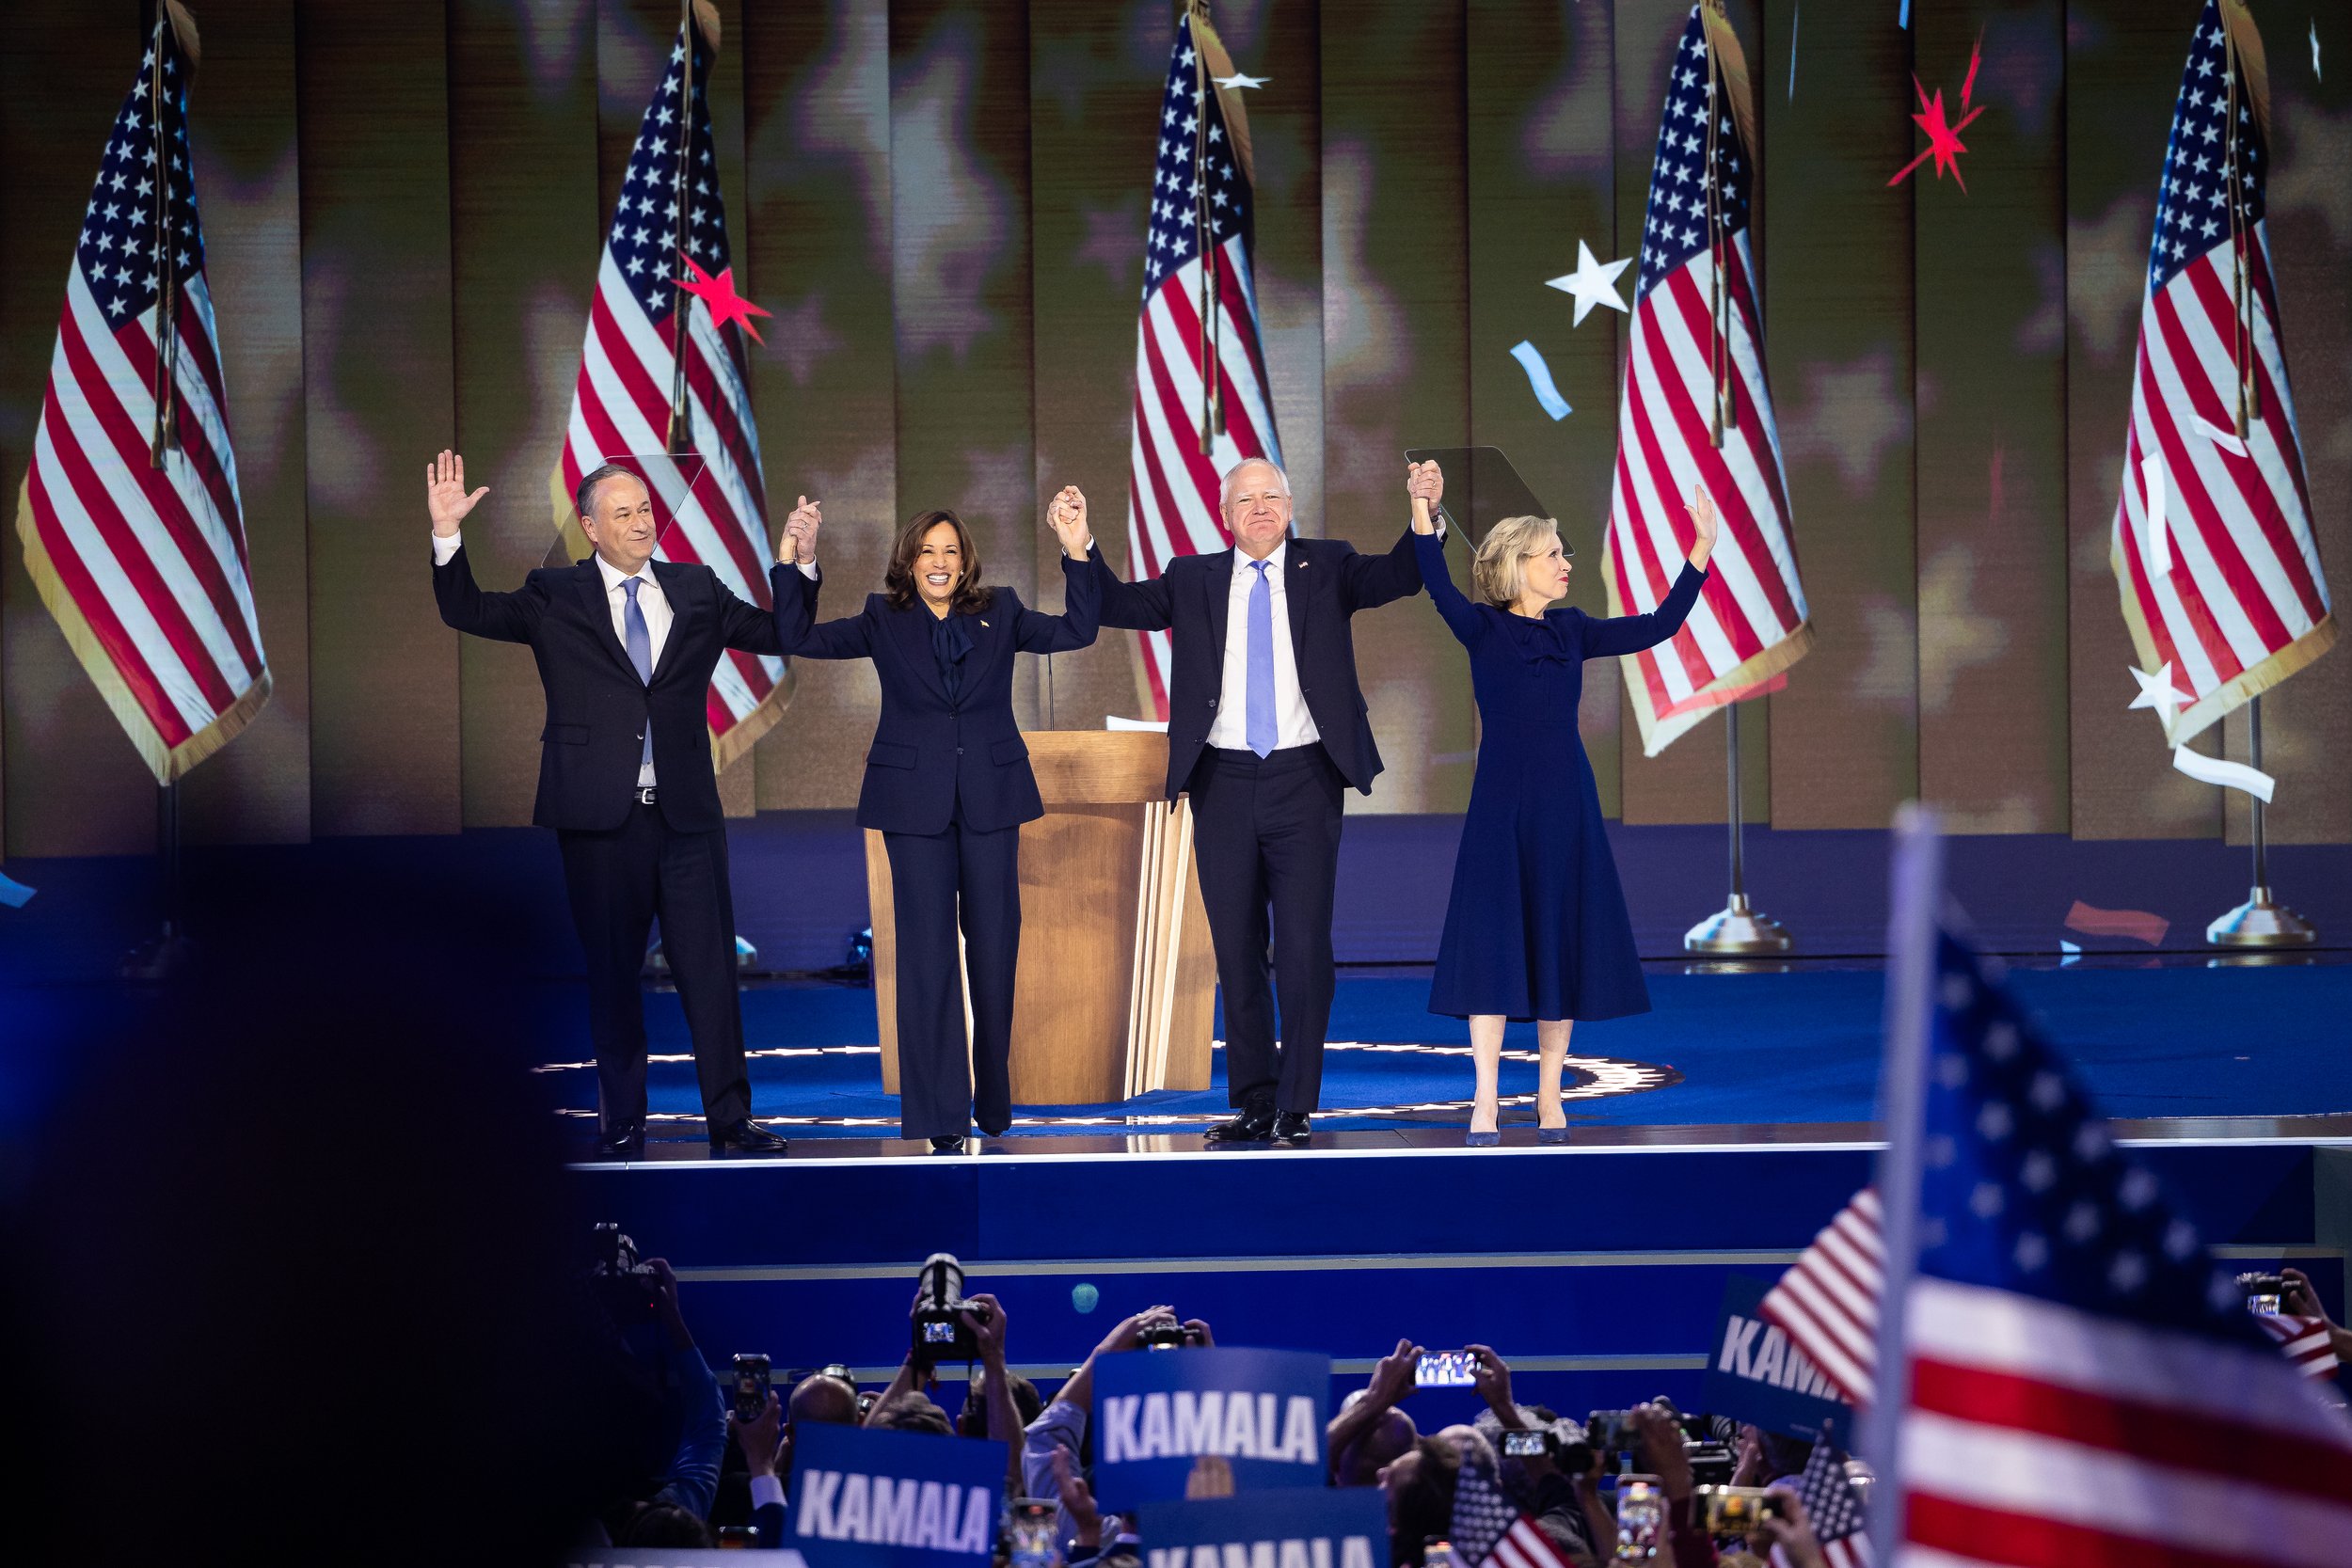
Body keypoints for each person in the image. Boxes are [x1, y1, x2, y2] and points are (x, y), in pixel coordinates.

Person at [427, 451, 788, 1158]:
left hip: (685, 817)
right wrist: (446, 537)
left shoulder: (696, 588)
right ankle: (624, 1120)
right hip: (600, 819)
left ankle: (730, 1119)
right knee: (614, 975)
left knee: (711, 974)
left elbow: (779, 634)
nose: (640, 522)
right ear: (590, 527)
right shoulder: (554, 593)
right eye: (622, 513)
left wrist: (798, 569)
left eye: (646, 509)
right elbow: (467, 608)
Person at [1089, 457, 1434, 1146]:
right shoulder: (1193, 578)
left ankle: (1296, 1102)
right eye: (1245, 499)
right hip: (1221, 781)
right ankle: (1253, 1100)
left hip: (1305, 779)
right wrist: (1079, 547)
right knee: (1237, 949)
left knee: (1304, 948)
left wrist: (1423, 512)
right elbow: (1116, 604)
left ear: (1291, 504)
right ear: (1225, 514)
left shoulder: (1329, 565)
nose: (1261, 507)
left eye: (1272, 496)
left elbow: (1402, 574)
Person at [770, 489, 1101, 1150]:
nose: (940, 561)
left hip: (992, 799)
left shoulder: (1000, 611)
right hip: (912, 806)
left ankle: (993, 1095)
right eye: (927, 551)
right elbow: (796, 636)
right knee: (926, 959)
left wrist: (1076, 547)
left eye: (950, 551)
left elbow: (1078, 630)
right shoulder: (879, 617)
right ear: (909, 562)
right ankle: (938, 1114)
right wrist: (798, 560)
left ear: (966, 560)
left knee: (995, 950)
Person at [1406, 458, 1715, 1144]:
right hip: (1498, 808)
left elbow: (1660, 625)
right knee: (1492, 949)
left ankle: (1550, 1094)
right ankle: (1485, 1098)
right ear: (1519, 565)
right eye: (1553, 554)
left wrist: (1699, 552)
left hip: (1565, 804)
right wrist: (1423, 506)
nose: (1565, 563)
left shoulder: (1574, 629)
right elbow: (1434, 580)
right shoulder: (1482, 628)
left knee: (1557, 940)